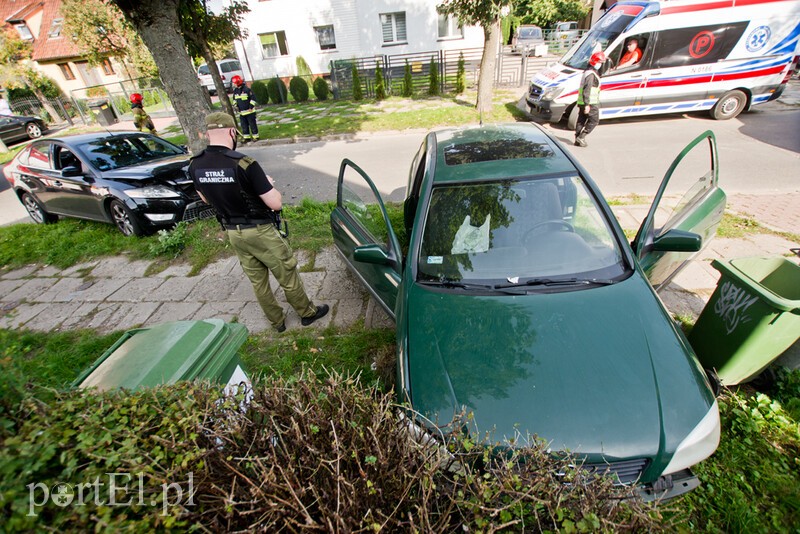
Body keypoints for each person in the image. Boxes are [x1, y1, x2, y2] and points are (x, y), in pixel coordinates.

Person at [189, 112, 328, 332]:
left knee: (258, 281)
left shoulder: (195, 165)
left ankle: (277, 322)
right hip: (260, 231)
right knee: (286, 272)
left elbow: (205, 198)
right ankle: (307, 313)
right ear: (232, 132)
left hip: (234, 233)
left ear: (207, 134)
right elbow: (275, 204)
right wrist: (269, 184)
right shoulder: (244, 163)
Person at [574, 51, 606, 148]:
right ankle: (582, 136)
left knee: (581, 120)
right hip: (590, 103)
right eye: (600, 62)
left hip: (582, 101)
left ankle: (577, 139)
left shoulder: (587, 72)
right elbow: (587, 89)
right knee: (594, 120)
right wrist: (587, 104)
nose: (601, 64)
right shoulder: (591, 75)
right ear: (595, 62)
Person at [231, 75, 259, 143]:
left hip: (250, 112)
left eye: (234, 83)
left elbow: (253, 99)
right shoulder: (236, 91)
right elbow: (234, 99)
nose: (233, 84)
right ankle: (247, 138)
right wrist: (235, 105)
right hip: (242, 113)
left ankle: (255, 137)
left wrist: (250, 107)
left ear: (237, 82)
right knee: (244, 126)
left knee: (252, 125)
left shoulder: (247, 90)